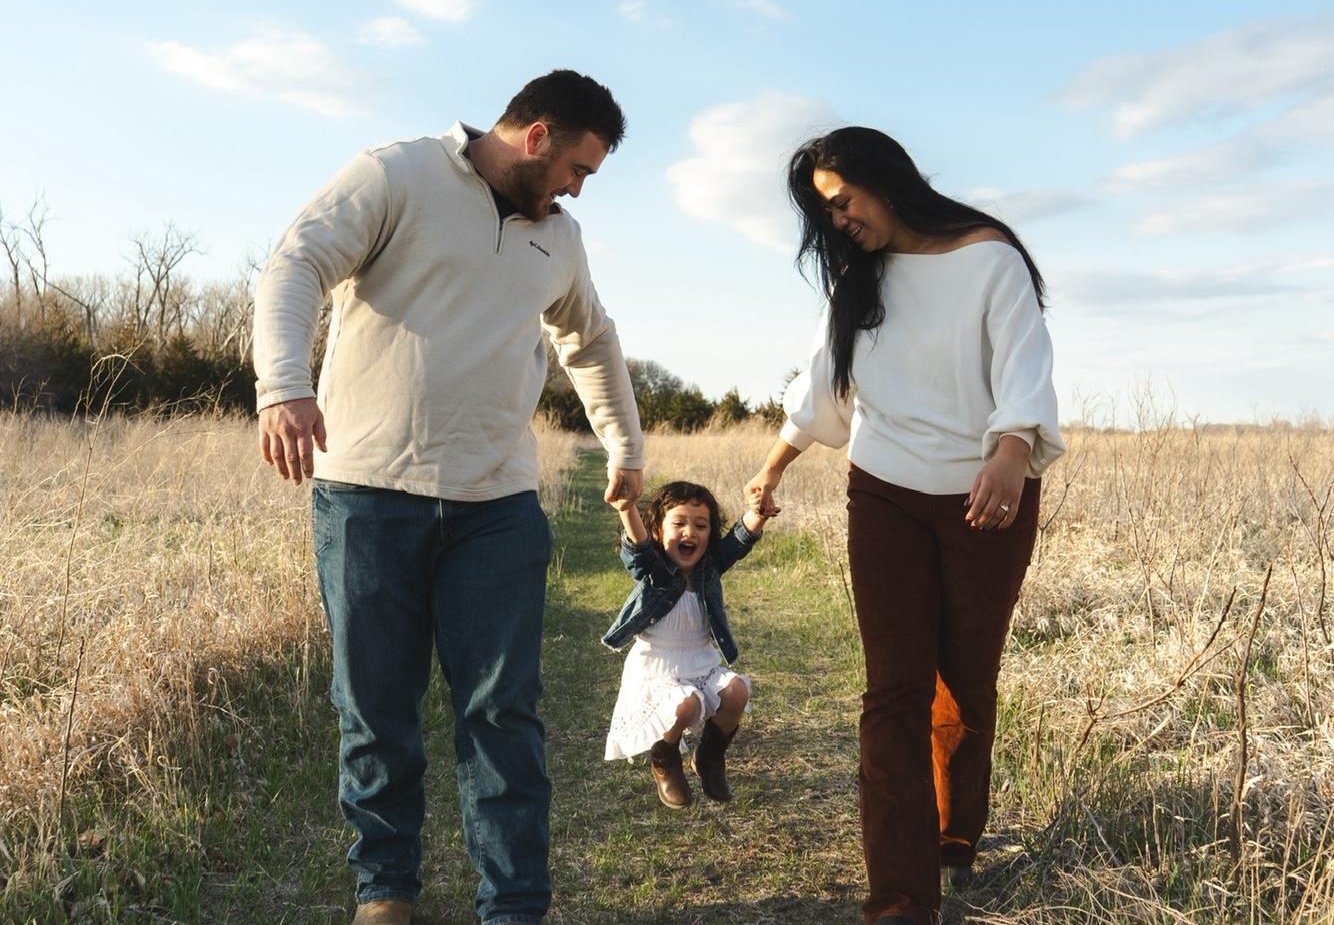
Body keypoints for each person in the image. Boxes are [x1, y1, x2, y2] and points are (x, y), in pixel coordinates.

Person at [253, 70, 645, 925]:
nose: (579, 189)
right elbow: (296, 263)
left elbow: (590, 341)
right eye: (577, 168)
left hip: (497, 505)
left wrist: (626, 447)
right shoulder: (396, 174)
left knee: (502, 713)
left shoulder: (561, 238)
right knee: (376, 711)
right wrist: (283, 385)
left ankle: (514, 905)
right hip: (367, 495)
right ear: (535, 137)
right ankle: (385, 891)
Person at [745, 127, 1064, 925]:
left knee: (966, 679)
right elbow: (824, 384)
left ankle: (955, 836)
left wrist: (1011, 451)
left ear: (885, 181)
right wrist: (774, 466)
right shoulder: (858, 278)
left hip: (986, 495)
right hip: (884, 491)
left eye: (843, 201)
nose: (838, 221)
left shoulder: (990, 257)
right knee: (894, 692)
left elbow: (1026, 363)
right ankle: (899, 900)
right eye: (826, 213)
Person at [602, 480, 772, 808]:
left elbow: (738, 542)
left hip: (699, 661)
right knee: (686, 706)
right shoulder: (654, 569)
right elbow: (637, 548)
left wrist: (758, 514)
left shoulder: (709, 568)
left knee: (737, 693)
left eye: (700, 525)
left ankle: (709, 756)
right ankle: (665, 759)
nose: (689, 532)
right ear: (657, 530)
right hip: (657, 667)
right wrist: (627, 508)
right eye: (678, 523)